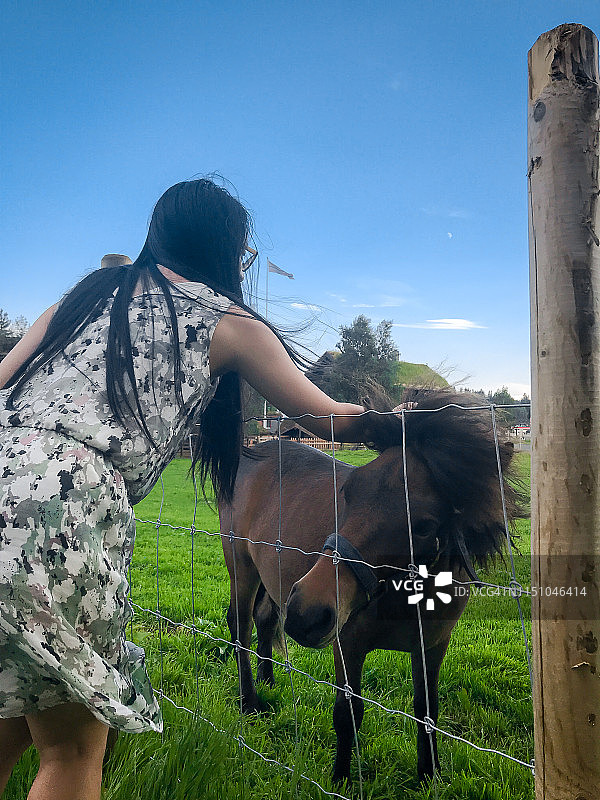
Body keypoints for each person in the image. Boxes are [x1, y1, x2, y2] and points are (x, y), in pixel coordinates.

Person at [0, 178, 369, 800]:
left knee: (10, 716)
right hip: (61, 506)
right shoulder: (226, 320)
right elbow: (327, 417)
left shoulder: (82, 297)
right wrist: (417, 421)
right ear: (229, 248)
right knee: (69, 748)